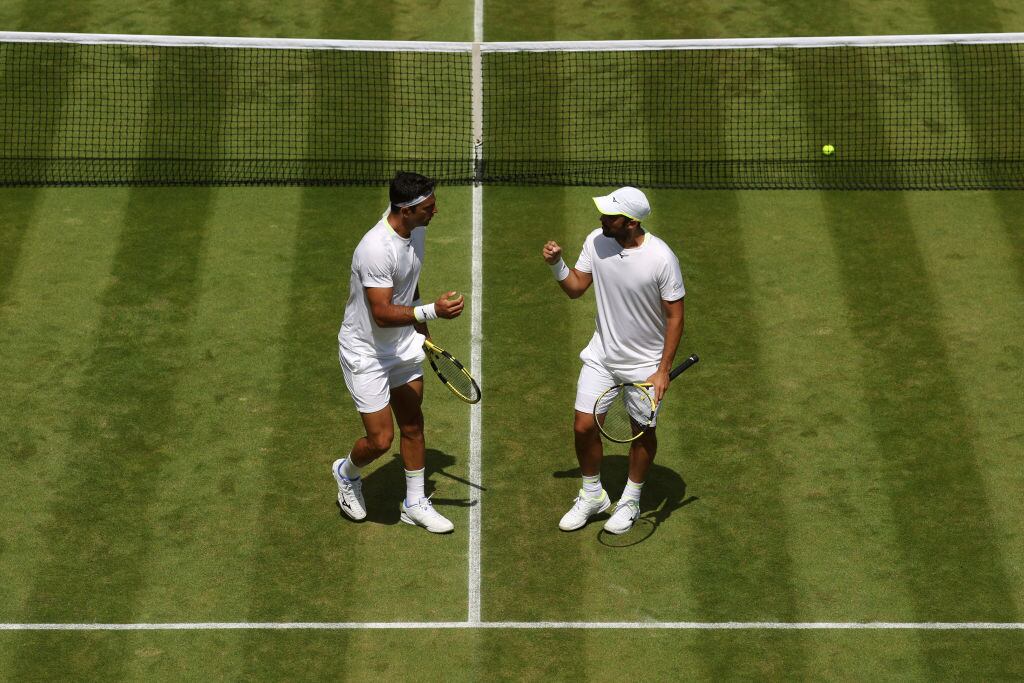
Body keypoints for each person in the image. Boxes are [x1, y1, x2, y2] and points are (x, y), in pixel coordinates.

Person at [542, 187, 685, 535]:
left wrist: (662, 370)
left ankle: (631, 500)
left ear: (632, 223)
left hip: (644, 366)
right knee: (583, 426)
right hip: (602, 356)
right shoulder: (596, 240)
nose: (602, 219)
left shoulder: (661, 258)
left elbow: (675, 317)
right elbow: (577, 287)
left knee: (642, 432)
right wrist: (557, 264)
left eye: (611, 216)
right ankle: (592, 496)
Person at [332, 171, 464, 534]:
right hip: (367, 352)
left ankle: (415, 503)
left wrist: (421, 328)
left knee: (412, 424)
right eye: (428, 207)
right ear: (405, 211)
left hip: (402, 344)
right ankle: (346, 473)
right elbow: (381, 312)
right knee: (380, 440)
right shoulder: (375, 249)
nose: (435, 212)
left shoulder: (415, 230)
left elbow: (409, 278)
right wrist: (431, 311)